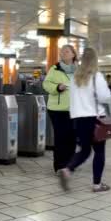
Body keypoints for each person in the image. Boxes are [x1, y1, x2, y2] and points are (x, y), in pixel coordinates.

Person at [58, 48, 111, 192]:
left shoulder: (74, 78)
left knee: (85, 150)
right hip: (95, 119)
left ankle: (67, 170)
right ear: (95, 60)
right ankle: (97, 184)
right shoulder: (96, 76)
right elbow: (105, 97)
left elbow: (73, 99)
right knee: (99, 151)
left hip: (79, 120)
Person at [43, 45, 78, 173]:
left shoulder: (79, 70)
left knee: (72, 138)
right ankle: (59, 166)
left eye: (67, 51)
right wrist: (58, 87)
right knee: (61, 137)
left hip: (75, 109)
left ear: (73, 54)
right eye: (62, 51)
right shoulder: (55, 68)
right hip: (57, 110)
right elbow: (46, 84)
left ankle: (70, 164)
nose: (63, 53)